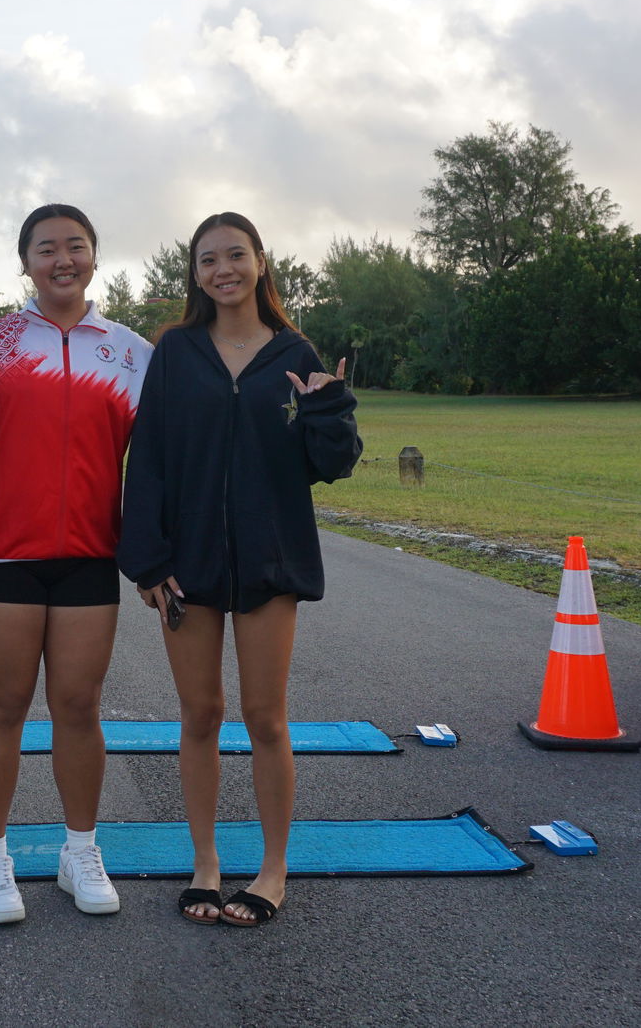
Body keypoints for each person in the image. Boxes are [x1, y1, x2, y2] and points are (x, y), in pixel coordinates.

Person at [117, 212, 360, 928]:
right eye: (207, 259)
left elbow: (331, 464)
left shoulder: (294, 349)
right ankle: (205, 864)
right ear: (194, 273)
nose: (222, 268)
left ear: (260, 261)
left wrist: (329, 409)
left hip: (269, 557)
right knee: (200, 714)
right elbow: (150, 457)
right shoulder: (177, 351)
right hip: (185, 563)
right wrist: (147, 560)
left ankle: (274, 869)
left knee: (264, 717)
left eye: (235, 255)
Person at [0, 203, 151, 923]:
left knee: (78, 706)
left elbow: (159, 465)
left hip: (90, 557)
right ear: (25, 261)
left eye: (75, 246)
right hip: (0, 551)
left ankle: (79, 849)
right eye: (46, 248)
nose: (61, 259)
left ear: (94, 256)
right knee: (3, 705)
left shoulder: (131, 352)